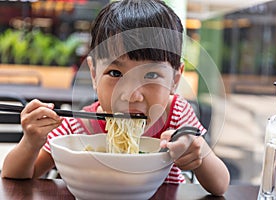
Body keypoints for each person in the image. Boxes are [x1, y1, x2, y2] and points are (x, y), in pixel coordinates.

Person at [2, 0, 230, 196]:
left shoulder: (177, 114)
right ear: (93, 73)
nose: (131, 94)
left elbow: (220, 185)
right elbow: (16, 176)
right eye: (115, 73)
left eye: (151, 75)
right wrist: (31, 143)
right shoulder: (80, 125)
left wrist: (198, 154)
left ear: (175, 79)